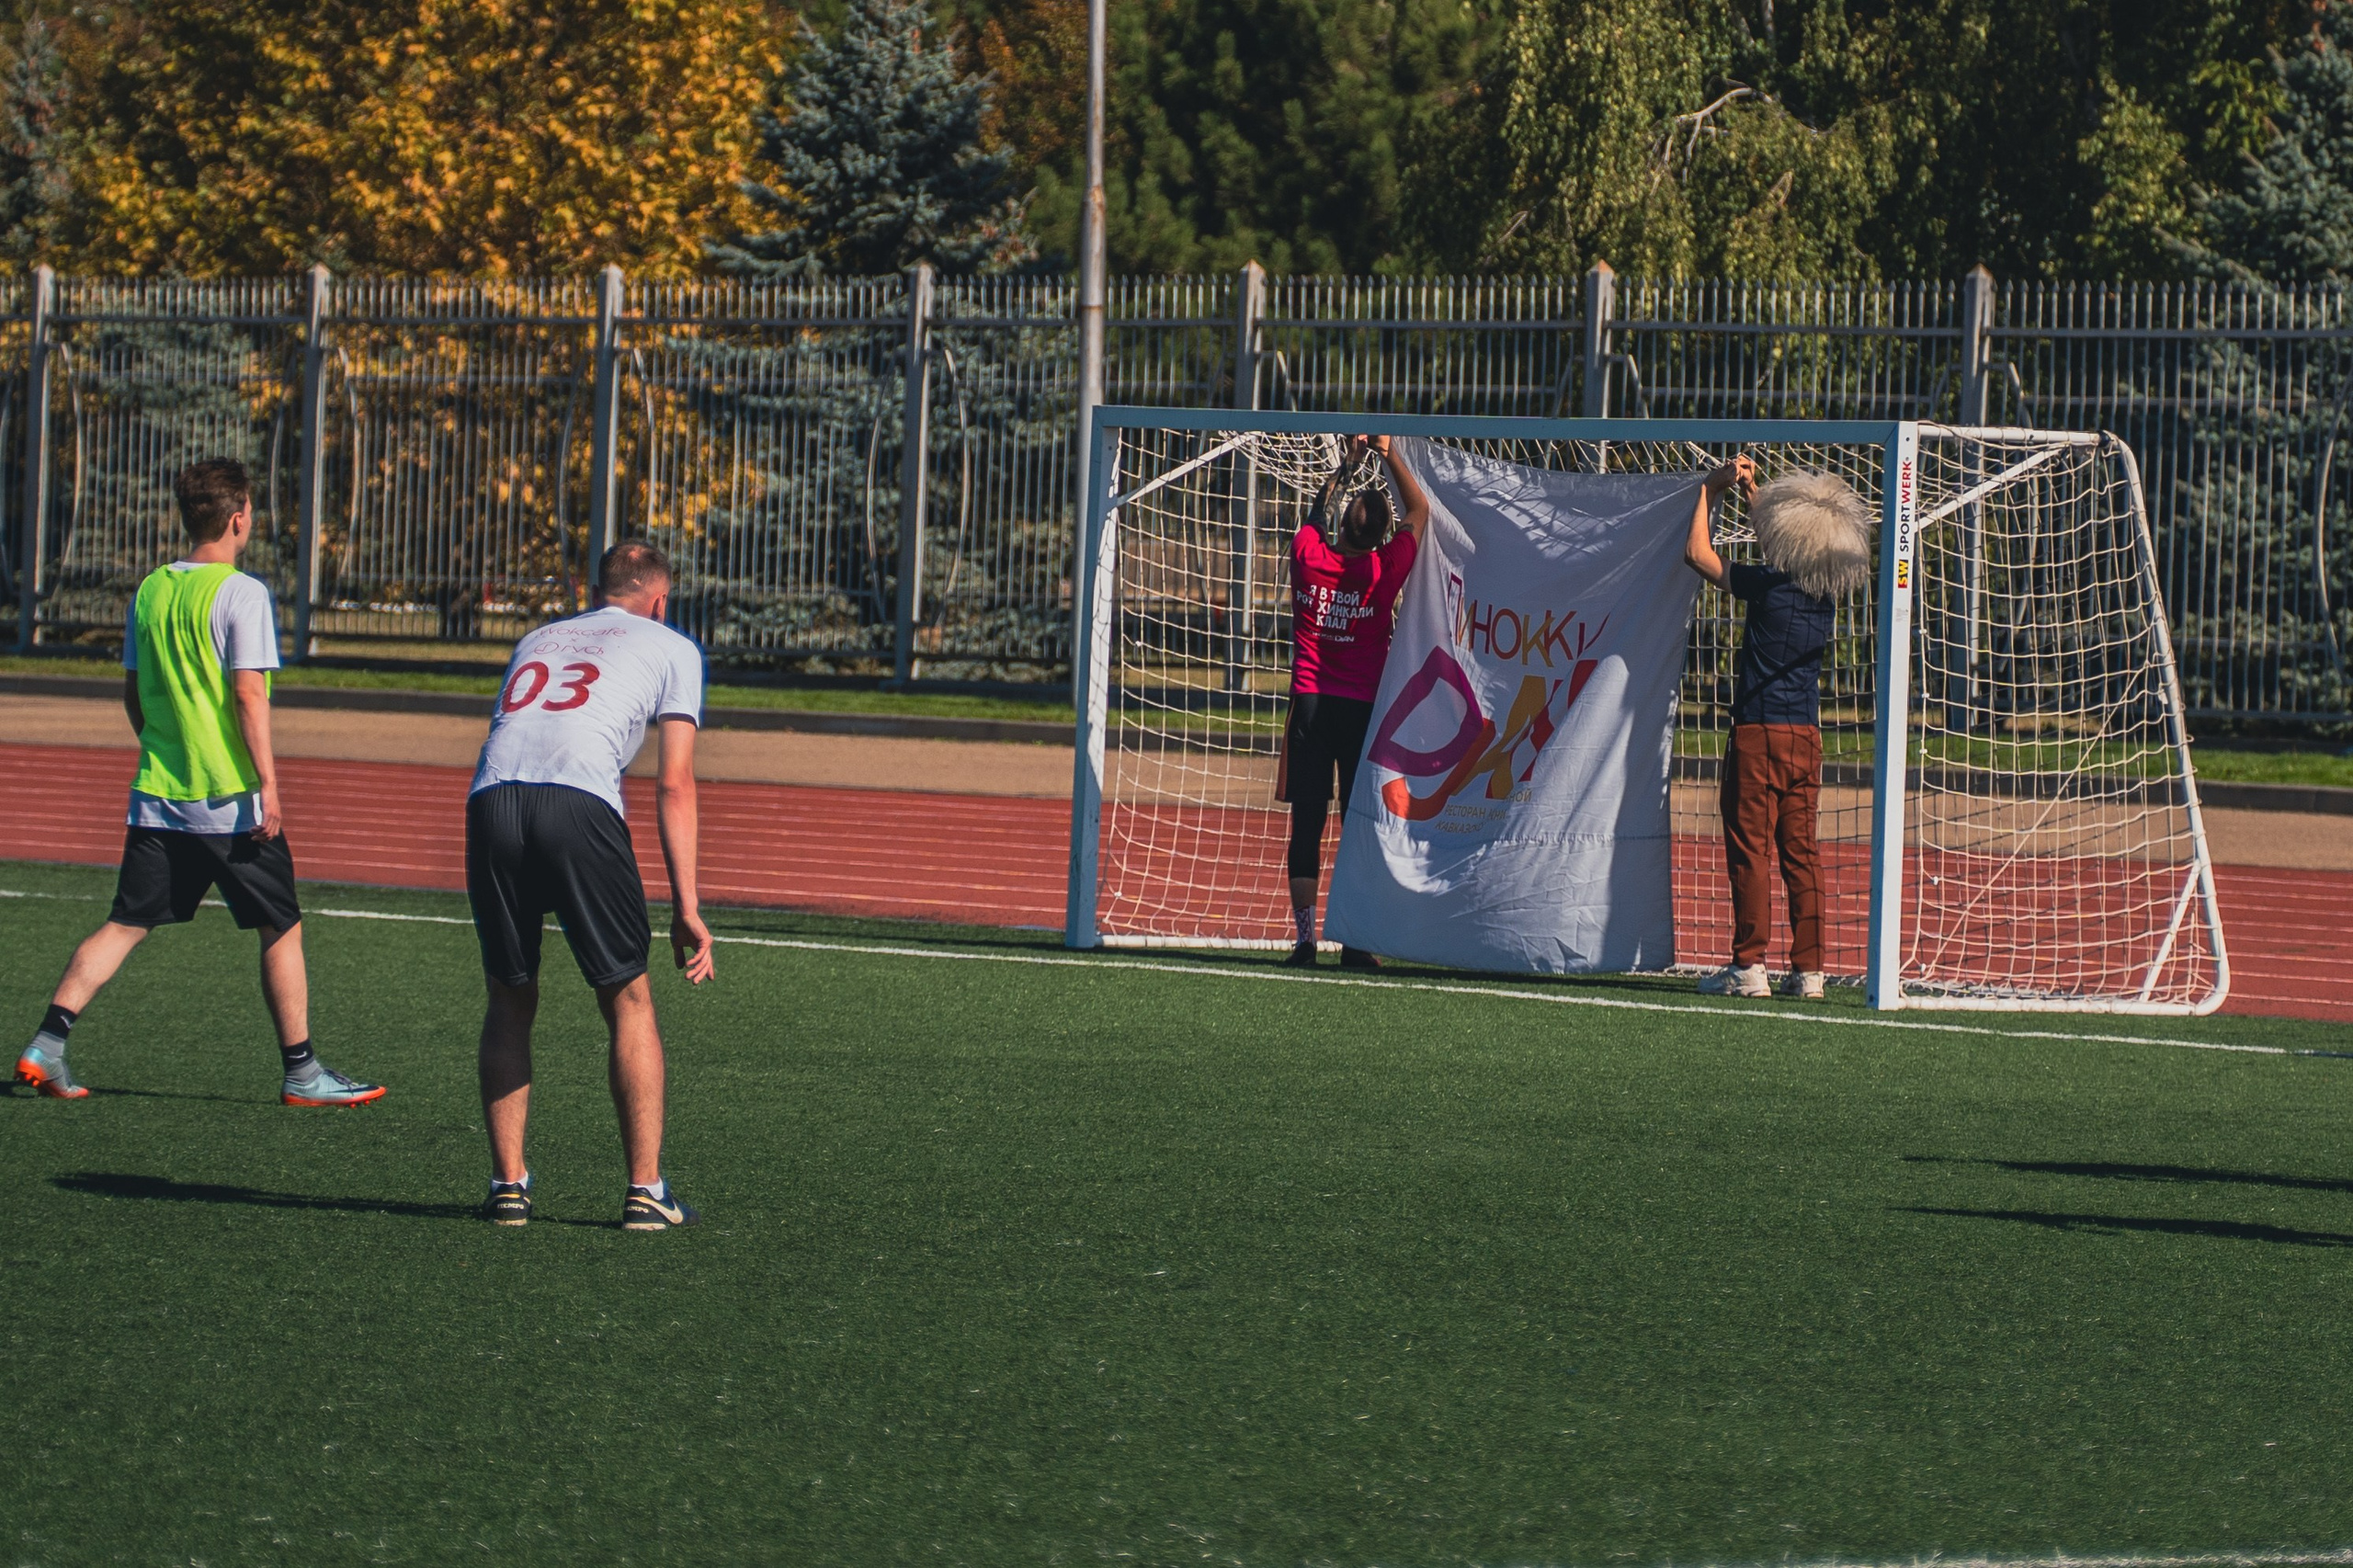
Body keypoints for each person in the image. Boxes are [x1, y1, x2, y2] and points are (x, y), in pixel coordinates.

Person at [15, 460, 385, 1106]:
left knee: (126, 922)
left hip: (160, 794)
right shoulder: (243, 593)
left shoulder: (152, 590)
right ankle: (302, 1074)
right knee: (282, 925)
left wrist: (166, 750)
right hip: (229, 800)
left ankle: (46, 1045)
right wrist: (268, 785)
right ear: (240, 517)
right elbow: (248, 695)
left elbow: (136, 696)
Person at [467, 540, 714, 1230]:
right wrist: (687, 905)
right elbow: (674, 781)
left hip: (492, 800)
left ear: (598, 588)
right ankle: (645, 1191)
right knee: (628, 999)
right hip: (578, 804)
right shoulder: (672, 647)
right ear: (660, 599)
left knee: (510, 999)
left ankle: (508, 1187)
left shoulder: (539, 636)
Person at [1679, 460, 1872, 1000]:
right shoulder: (1824, 594)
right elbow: (1782, 539)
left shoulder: (1767, 585)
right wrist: (1753, 492)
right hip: (1806, 739)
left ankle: (1748, 965)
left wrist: (1706, 488)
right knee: (1801, 855)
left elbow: (1698, 555)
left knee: (1750, 852)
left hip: (1757, 735)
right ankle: (1809, 971)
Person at [1281, 434, 1430, 969]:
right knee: (1357, 822)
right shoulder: (1382, 571)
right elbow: (1421, 510)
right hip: (1363, 712)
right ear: (1380, 537)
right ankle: (1355, 941)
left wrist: (1350, 462)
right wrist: (1389, 453)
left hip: (1311, 705)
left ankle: (1304, 941)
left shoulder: (1308, 557)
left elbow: (1314, 512)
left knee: (1308, 822)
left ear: (1343, 525)